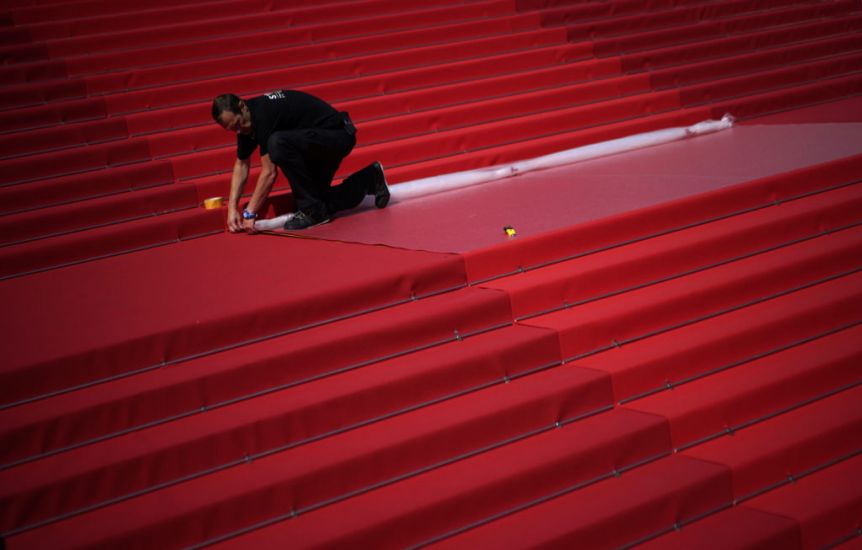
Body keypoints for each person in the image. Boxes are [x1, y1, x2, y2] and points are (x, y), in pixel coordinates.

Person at [211, 90, 389, 232]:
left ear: (241, 106)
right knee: (318, 200)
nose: (238, 132)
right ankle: (370, 178)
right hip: (316, 140)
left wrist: (250, 213)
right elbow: (241, 164)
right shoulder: (245, 124)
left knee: (277, 143)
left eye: (237, 124)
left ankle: (313, 210)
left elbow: (269, 172)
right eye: (232, 129)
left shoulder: (263, 115)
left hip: (337, 134)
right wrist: (232, 208)